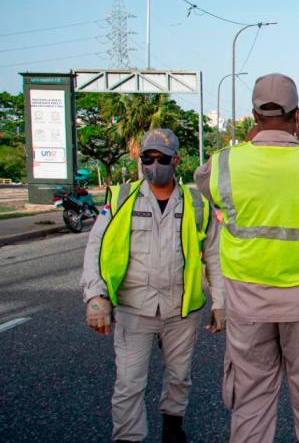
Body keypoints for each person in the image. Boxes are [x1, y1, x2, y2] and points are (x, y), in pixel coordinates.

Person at [194, 73, 299, 443]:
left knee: (250, 402)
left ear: (253, 116)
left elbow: (202, 181)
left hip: (247, 303)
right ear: (297, 115)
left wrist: (249, 145)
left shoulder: (224, 165)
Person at [80, 128, 225, 443]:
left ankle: (173, 428)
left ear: (177, 160)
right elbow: (96, 248)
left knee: (179, 377)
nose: (154, 164)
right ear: (140, 159)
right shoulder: (121, 199)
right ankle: (129, 438)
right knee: (129, 383)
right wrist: (95, 295)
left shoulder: (197, 204)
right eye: (149, 157)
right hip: (135, 308)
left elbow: (214, 255)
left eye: (162, 158)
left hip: (182, 308)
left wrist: (220, 302)